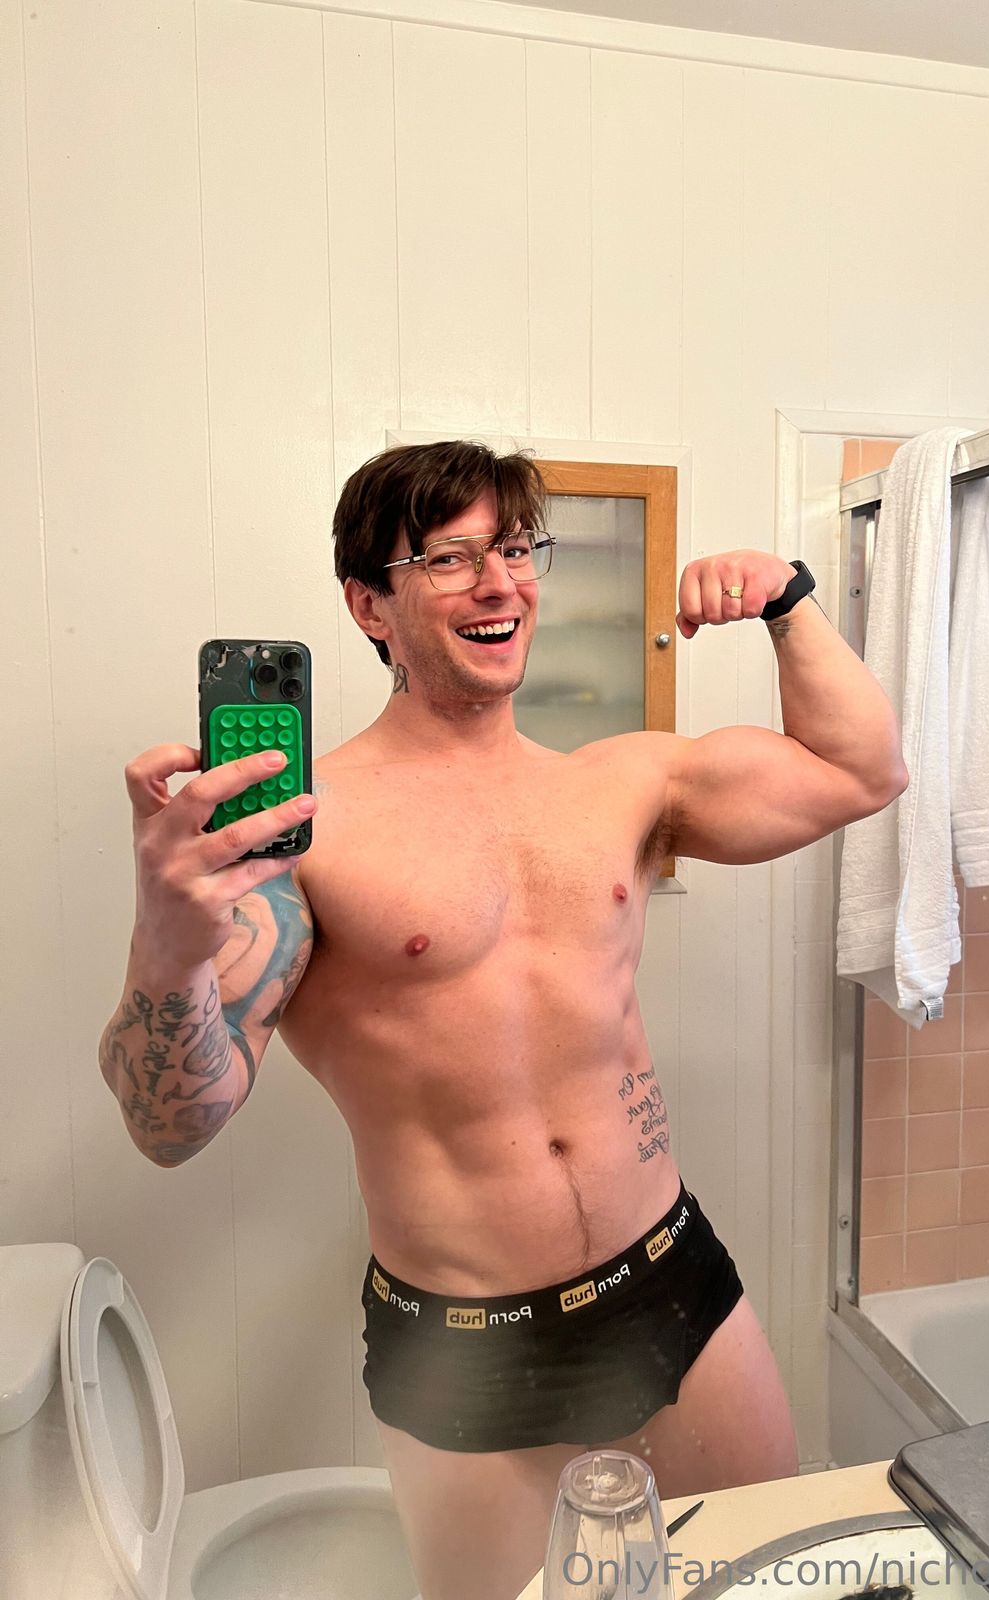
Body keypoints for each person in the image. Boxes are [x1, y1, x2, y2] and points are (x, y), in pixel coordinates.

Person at [103, 440, 906, 1600]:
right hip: (466, 1348)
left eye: (517, 548)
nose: (500, 582)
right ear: (368, 604)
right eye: (450, 557)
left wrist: (787, 602)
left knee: (760, 1580)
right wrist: (167, 948)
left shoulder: (622, 785)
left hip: (672, 1283)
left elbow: (863, 769)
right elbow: (171, 1124)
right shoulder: (301, 831)